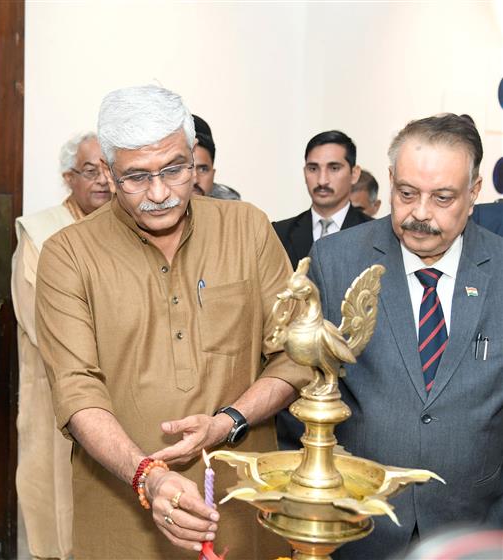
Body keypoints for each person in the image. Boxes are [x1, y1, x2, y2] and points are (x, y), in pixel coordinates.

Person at [35, 85, 312, 559]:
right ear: (107, 171)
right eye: (136, 177)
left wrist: (229, 421)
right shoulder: (68, 255)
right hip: (121, 508)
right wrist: (149, 476)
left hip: (238, 499)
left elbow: (296, 355)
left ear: (194, 159)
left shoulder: (247, 228)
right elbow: (77, 391)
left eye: (174, 170)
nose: (160, 193)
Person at [296, 113, 503, 558]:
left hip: (475, 525)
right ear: (389, 180)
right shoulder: (336, 261)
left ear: (474, 193)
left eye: (443, 197)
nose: (420, 213)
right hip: (357, 526)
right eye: (406, 194)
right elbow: (301, 386)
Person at [12, 132, 110, 559]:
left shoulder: (125, 228)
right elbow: (39, 321)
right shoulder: (41, 234)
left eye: (110, 169)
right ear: (69, 177)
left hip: (121, 386)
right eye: (91, 171)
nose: (104, 180)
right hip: (56, 390)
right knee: (55, 500)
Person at [273, 130, 372, 269]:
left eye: (334, 168)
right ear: (304, 172)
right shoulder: (279, 233)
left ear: (354, 174)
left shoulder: (376, 234)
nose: (322, 181)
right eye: (313, 169)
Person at [191, 114, 242, 200]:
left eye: (203, 169)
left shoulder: (238, 212)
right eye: (182, 168)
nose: (195, 179)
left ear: (213, 174)